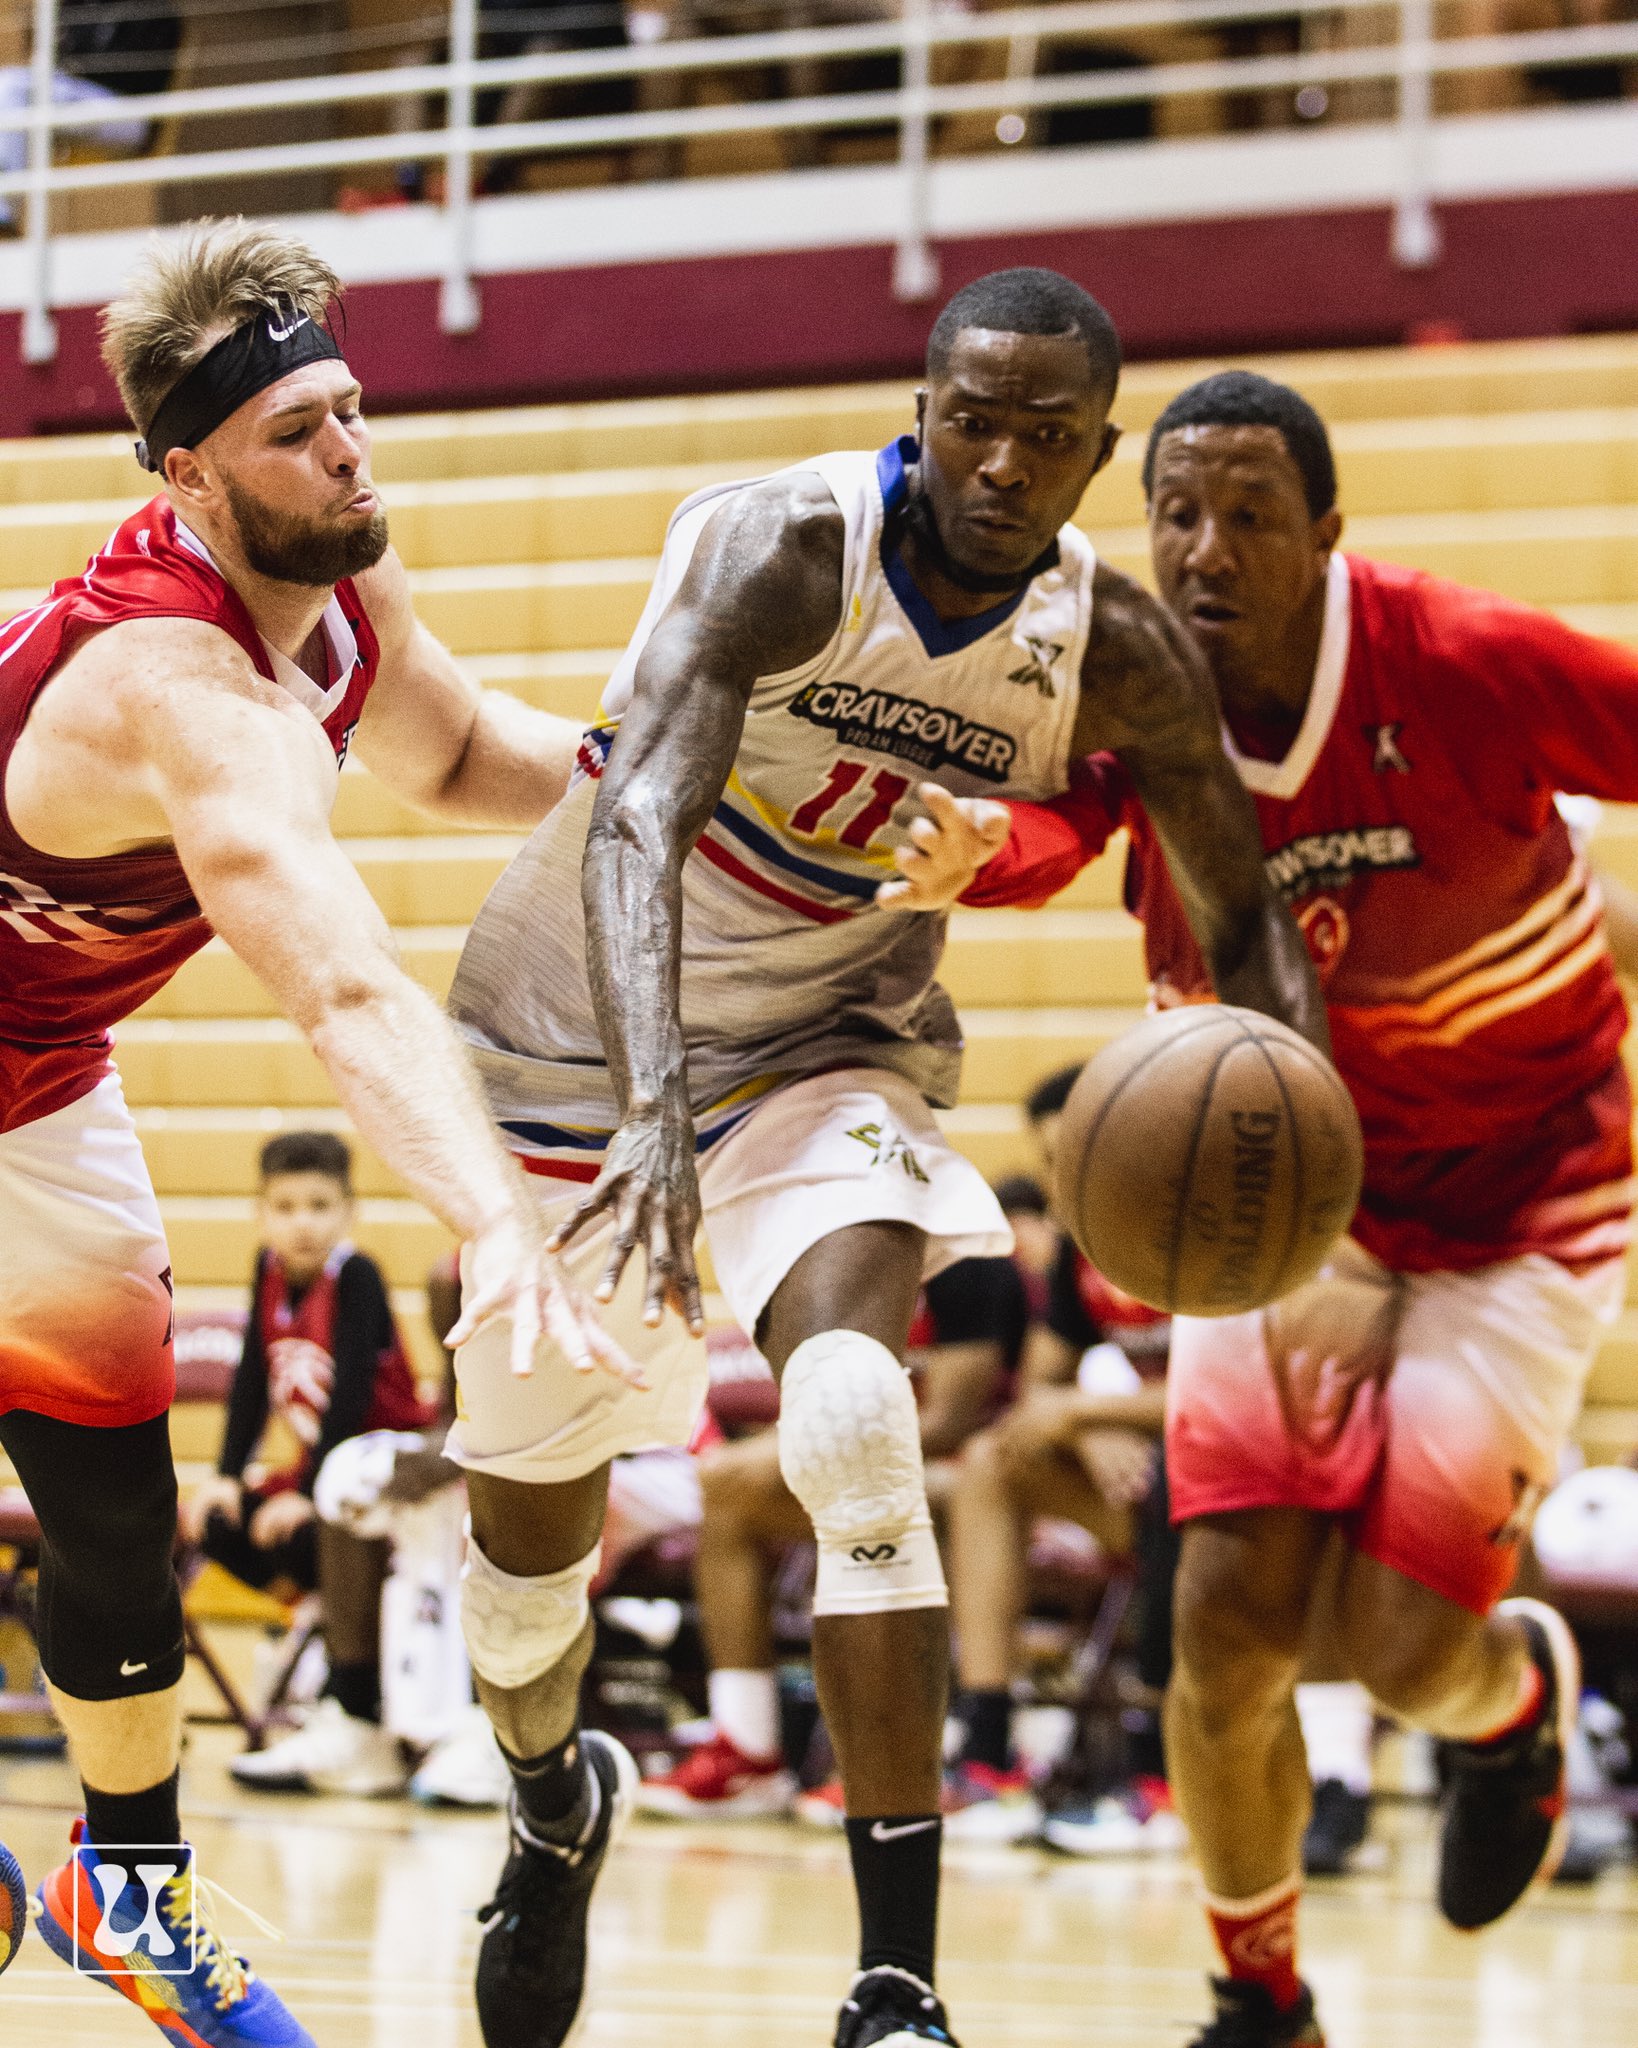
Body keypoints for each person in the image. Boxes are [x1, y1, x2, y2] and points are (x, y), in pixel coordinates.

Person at [442, 265, 1327, 2048]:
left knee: (854, 1414)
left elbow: (1243, 915)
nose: (1001, 459)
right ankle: (552, 1803)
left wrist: (1302, 1126)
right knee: (526, 1568)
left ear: (1092, 454)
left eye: (1046, 434)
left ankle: (895, 1985)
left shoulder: (1116, 647)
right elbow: (639, 817)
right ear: (921, 412)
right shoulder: (786, 547)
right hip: (575, 1036)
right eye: (970, 419)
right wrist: (641, 1103)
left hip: (826, 1045)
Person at [0, 215, 627, 2047]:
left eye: (350, 409)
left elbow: (450, 753)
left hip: (30, 1073)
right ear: (190, 473)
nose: (350, 452)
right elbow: (346, 990)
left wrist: (651, 791)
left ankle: (130, 1893)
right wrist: (494, 1216)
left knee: (118, 1513)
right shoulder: (178, 696)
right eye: (297, 433)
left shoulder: (341, 595)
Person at [965, 367, 1638, 2046]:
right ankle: (1255, 1999)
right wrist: (963, 845)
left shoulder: (1462, 657)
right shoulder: (1126, 675)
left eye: (1249, 514)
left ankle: (1509, 1704)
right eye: (1175, 511)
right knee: (1227, 1623)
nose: (1203, 548)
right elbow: (1047, 823)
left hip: (1525, 1186)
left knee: (1405, 1651)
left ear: (1327, 535)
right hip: (1277, 1202)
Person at [636, 1248, 1029, 1821]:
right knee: (726, 1486)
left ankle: (949, 1757)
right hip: (861, 1455)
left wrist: (821, 1443)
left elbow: (949, 1420)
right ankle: (748, 1750)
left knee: (897, 1489)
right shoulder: (827, 1250)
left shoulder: (965, 1259)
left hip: (955, 1467)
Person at [177, 1129, 436, 1797]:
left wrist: (310, 1491)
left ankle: (344, 1680)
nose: (303, 1222)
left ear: (349, 1211)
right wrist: (230, 1476)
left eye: (320, 1206)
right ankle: (317, 1613)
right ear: (261, 1213)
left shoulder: (357, 1275)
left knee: (296, 1526)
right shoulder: (267, 1272)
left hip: (383, 1470)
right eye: (286, 1206)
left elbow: (349, 1394)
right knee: (215, 1521)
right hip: (320, 1470)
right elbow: (249, 1381)